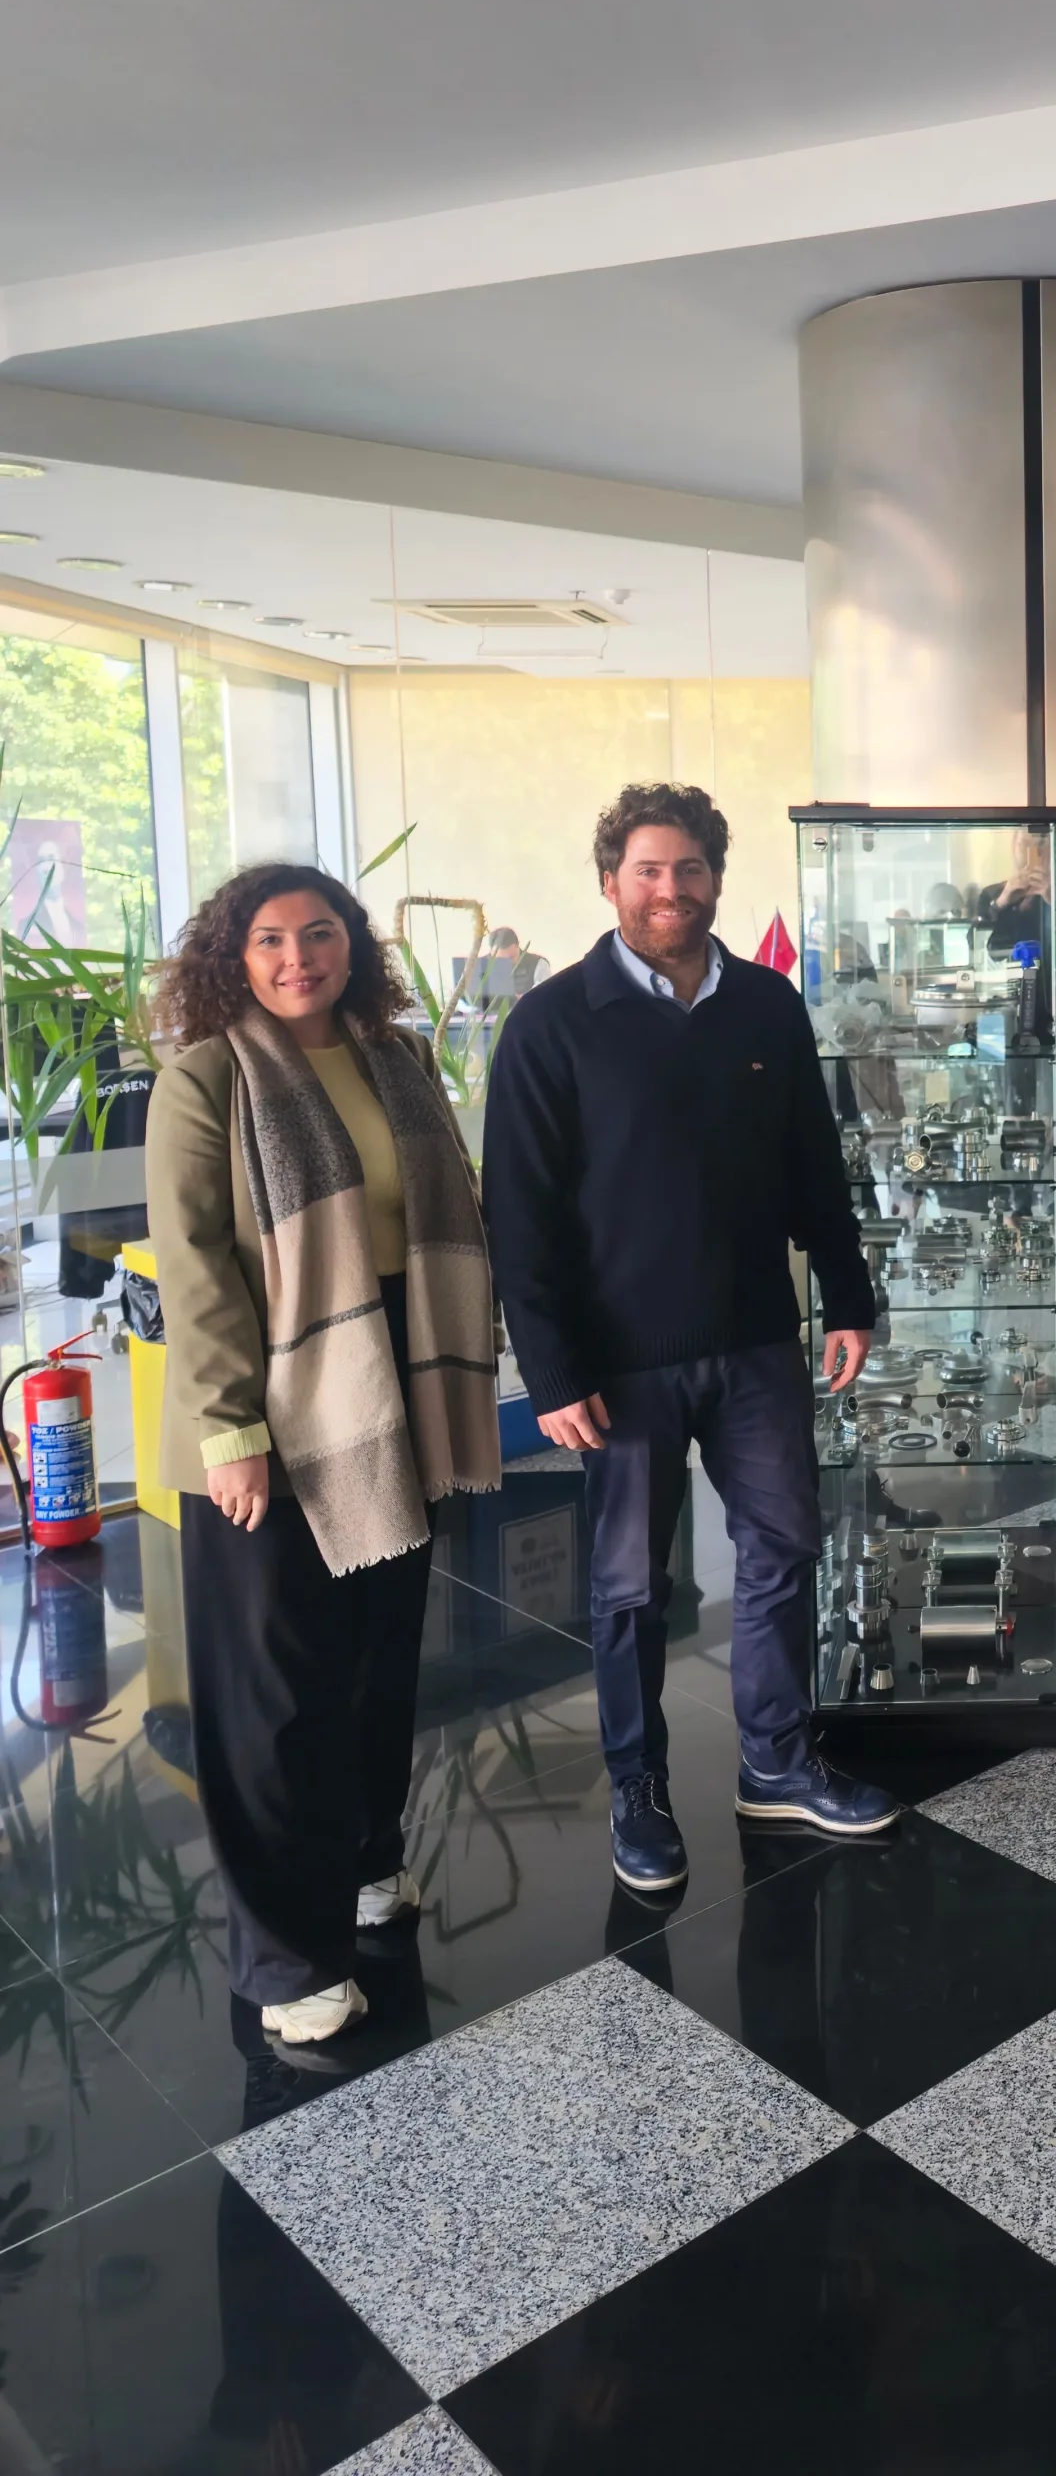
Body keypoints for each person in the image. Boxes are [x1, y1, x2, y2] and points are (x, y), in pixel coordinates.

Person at [481, 781, 893, 1891]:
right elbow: (519, 1214)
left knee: (783, 1553)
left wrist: (849, 1296)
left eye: (691, 868)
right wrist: (549, 1369)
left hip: (755, 1341)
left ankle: (776, 1761)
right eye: (648, 870)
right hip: (618, 1363)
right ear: (609, 881)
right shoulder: (550, 1025)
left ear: (716, 877)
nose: (671, 889)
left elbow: (813, 1164)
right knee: (629, 1589)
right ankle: (638, 1790)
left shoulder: (764, 1004)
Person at [146, 864, 500, 2046]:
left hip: (397, 1379)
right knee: (278, 1690)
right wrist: (230, 1431)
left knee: (379, 1655)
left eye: (319, 932)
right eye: (269, 939)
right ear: (233, 956)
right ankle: (286, 1955)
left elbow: (446, 1210)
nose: (297, 957)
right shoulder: (207, 1079)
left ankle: (364, 1862)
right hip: (275, 1398)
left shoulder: (397, 1057)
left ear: (353, 943)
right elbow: (195, 1268)